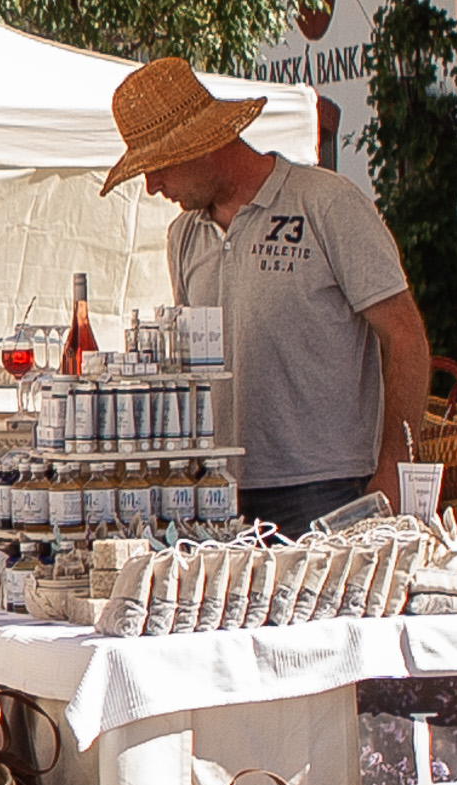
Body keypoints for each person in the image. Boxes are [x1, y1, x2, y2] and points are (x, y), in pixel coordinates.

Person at [107, 58, 433, 534]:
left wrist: (394, 468)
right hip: (217, 491)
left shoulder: (325, 203)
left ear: (201, 146)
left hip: (328, 484)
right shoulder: (184, 236)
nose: (152, 186)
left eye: (157, 167)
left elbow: (406, 337)